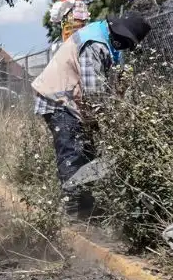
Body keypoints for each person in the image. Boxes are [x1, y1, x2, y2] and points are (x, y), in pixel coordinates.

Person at [30, 12, 151, 218]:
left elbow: (109, 88)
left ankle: (87, 209)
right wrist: (104, 124)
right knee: (73, 153)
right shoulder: (95, 44)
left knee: (88, 153)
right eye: (127, 44)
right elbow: (94, 95)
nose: (127, 49)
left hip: (72, 100)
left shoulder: (108, 39)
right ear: (120, 35)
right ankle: (73, 213)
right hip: (58, 100)